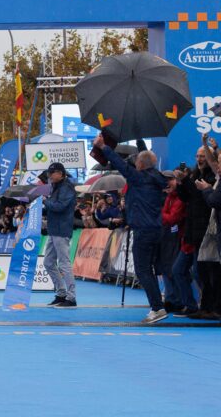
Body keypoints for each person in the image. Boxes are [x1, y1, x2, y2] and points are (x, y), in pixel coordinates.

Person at [94, 134, 167, 324]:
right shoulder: (157, 176)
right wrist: (139, 138)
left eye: (136, 162)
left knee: (143, 271)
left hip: (143, 230)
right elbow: (145, 157)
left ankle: (157, 307)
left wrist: (103, 147)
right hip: (157, 229)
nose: (134, 164)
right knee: (154, 269)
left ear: (140, 165)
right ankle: (162, 301)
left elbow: (120, 164)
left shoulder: (138, 178)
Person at [175, 141, 219, 320]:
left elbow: (204, 199)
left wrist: (189, 183)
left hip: (208, 229)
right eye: (198, 156)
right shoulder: (194, 173)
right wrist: (181, 183)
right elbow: (187, 197)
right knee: (200, 271)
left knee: (208, 272)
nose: (200, 159)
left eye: (203, 156)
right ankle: (205, 306)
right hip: (194, 229)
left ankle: (212, 307)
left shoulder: (212, 176)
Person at [43, 162, 78, 308]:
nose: (50, 176)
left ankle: (71, 297)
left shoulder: (66, 187)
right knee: (48, 262)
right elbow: (54, 207)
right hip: (53, 229)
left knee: (64, 263)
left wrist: (46, 202)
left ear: (60, 173)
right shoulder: (57, 187)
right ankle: (61, 293)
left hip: (61, 230)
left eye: (52, 173)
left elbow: (60, 207)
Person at [159, 170, 186, 314]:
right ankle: (170, 299)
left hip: (178, 237)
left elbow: (172, 219)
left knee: (174, 270)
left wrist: (160, 213)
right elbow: (167, 218)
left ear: (176, 180)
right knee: (166, 269)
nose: (167, 182)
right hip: (168, 236)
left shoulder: (179, 198)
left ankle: (178, 301)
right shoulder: (169, 197)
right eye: (165, 180)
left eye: (170, 179)